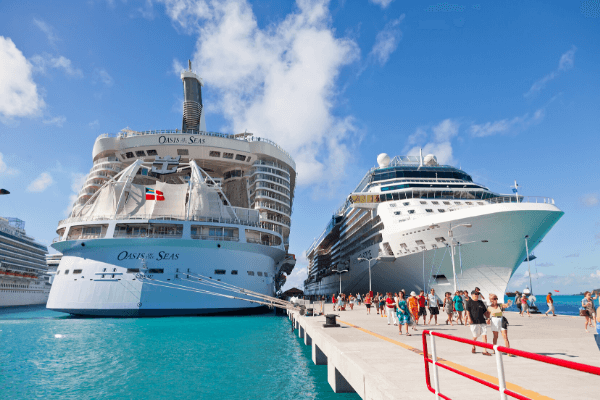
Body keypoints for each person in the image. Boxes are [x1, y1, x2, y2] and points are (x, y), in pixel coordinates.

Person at [466, 290, 492, 356]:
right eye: (475, 294)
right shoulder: (469, 302)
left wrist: (488, 318)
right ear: (471, 295)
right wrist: (469, 318)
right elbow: (468, 311)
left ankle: (484, 350)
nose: (476, 295)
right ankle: (473, 346)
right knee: (475, 336)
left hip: (482, 321)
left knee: (484, 336)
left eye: (477, 294)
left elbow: (485, 312)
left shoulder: (481, 302)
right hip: (474, 322)